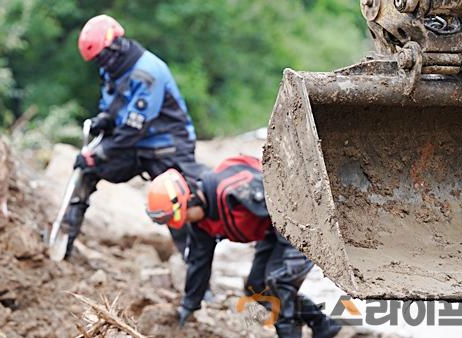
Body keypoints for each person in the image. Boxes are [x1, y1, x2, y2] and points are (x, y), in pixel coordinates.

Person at [145, 155, 342, 338]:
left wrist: (286, 265)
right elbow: (199, 262)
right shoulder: (200, 222)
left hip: (300, 222)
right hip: (271, 231)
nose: (187, 221)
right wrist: (188, 306)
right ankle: (322, 324)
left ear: (191, 198)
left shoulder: (237, 191)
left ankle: (291, 332)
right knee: (257, 286)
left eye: (185, 216)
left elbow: (291, 206)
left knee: (279, 280)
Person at [63, 15, 204, 259]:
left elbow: (132, 127)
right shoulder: (111, 70)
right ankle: (64, 240)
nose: (101, 64)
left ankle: (194, 268)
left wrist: (101, 154)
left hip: (168, 145)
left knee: (182, 202)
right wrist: (105, 119)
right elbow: (116, 108)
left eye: (102, 58)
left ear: (115, 46)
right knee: (85, 170)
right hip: (135, 146)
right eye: (96, 60)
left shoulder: (147, 72)